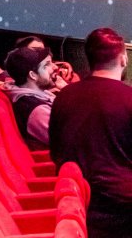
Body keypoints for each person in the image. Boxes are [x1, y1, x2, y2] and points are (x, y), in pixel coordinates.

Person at [50, 27, 132, 235]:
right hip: (122, 208)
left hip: (78, 202)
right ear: (123, 59)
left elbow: (56, 151)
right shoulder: (129, 98)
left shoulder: (64, 96)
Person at [2, 46, 55, 149]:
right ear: (33, 75)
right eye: (45, 66)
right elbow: (70, 142)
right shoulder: (37, 110)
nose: (53, 68)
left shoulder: (40, 97)